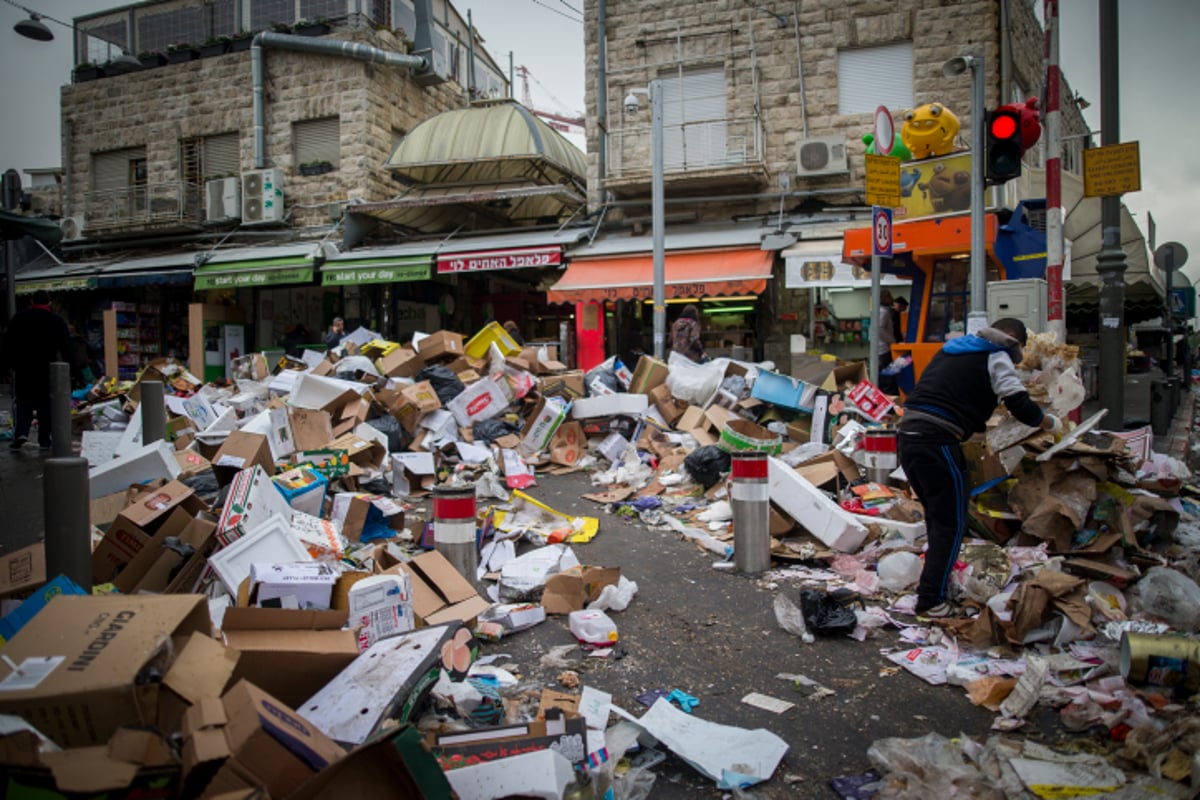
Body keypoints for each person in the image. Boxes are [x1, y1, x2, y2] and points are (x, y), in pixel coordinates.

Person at [898, 318, 1061, 617]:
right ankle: (931, 601)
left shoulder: (952, 349)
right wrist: (1050, 422)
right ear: (1012, 339)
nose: (1014, 360)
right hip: (938, 441)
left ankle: (934, 588)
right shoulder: (995, 355)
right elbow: (1020, 406)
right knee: (951, 522)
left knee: (937, 519)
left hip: (908, 437)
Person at [3, 291, 70, 451]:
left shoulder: (18, 319)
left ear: (32, 301)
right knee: (45, 406)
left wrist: (10, 365)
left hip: (24, 369)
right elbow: (66, 346)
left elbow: (8, 344)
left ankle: (21, 433)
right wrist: (69, 370)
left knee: (23, 403)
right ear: (49, 303)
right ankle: (44, 439)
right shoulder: (56, 321)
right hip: (47, 370)